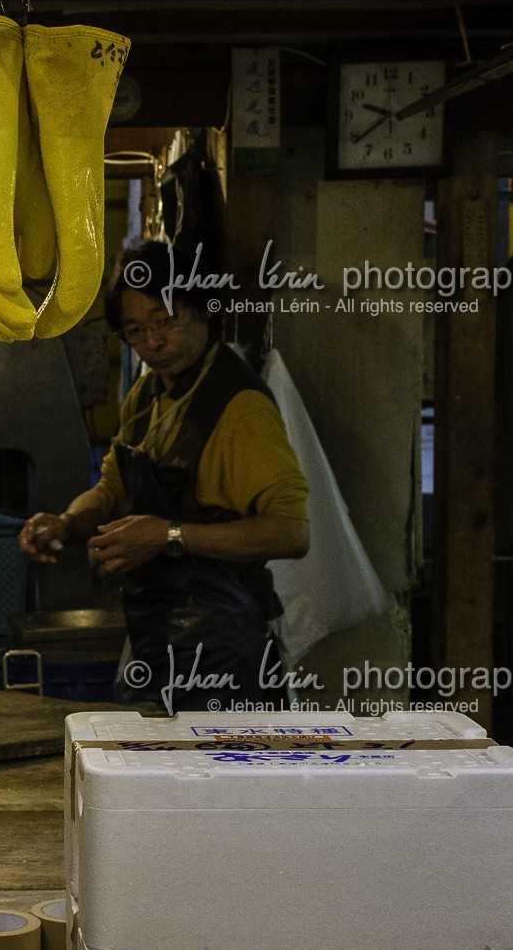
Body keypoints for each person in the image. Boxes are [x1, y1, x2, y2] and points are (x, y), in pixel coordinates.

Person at [19, 243, 309, 709]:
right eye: (136, 330)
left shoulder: (240, 407)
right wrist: (66, 524)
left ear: (201, 312)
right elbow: (112, 489)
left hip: (224, 651)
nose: (153, 342)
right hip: (159, 641)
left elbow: (291, 533)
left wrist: (168, 536)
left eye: (165, 321)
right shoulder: (147, 396)